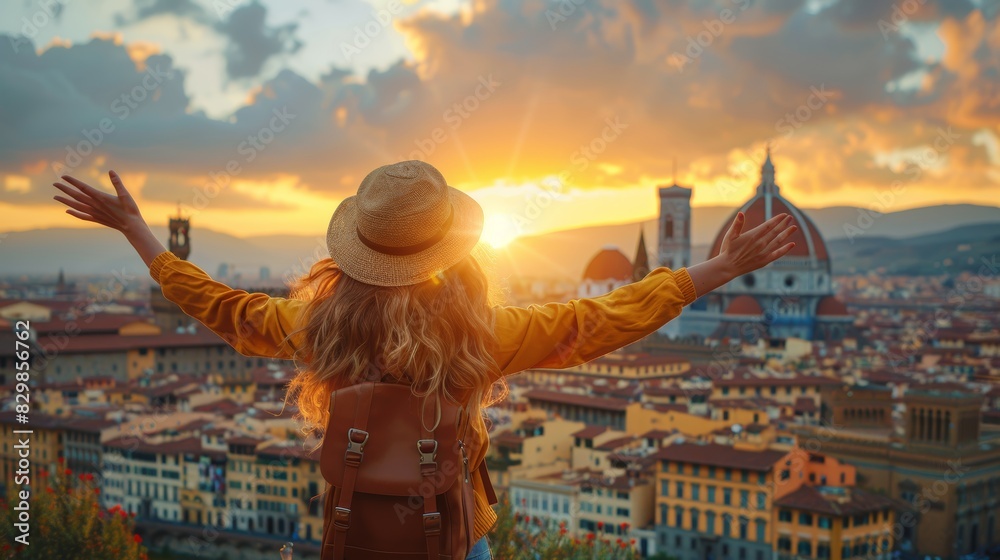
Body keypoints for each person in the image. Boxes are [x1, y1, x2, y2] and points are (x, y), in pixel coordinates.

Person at [52, 162, 798, 559]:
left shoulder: (318, 327)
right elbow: (599, 321)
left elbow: (221, 307)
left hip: (355, 533)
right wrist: (714, 272)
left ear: (359, 248)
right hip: (453, 532)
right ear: (449, 247)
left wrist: (140, 235)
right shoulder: (481, 336)